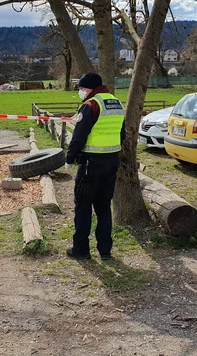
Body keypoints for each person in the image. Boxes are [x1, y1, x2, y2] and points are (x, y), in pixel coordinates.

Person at [65, 72, 126, 261]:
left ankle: (81, 250)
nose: (80, 92)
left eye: (82, 89)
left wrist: (69, 158)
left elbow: (79, 136)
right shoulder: (116, 103)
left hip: (91, 163)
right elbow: (122, 134)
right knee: (103, 207)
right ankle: (105, 250)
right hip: (112, 161)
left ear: (89, 88)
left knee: (83, 206)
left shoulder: (91, 105)